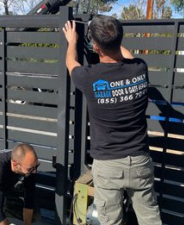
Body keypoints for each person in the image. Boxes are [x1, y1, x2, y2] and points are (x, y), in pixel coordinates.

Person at [63, 16, 162, 225]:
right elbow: (127, 56)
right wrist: (111, 38)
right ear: (120, 40)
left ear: (96, 47)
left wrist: (72, 40)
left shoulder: (88, 77)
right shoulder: (139, 69)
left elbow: (71, 63)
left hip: (108, 165)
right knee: (150, 217)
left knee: (111, 220)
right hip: (139, 160)